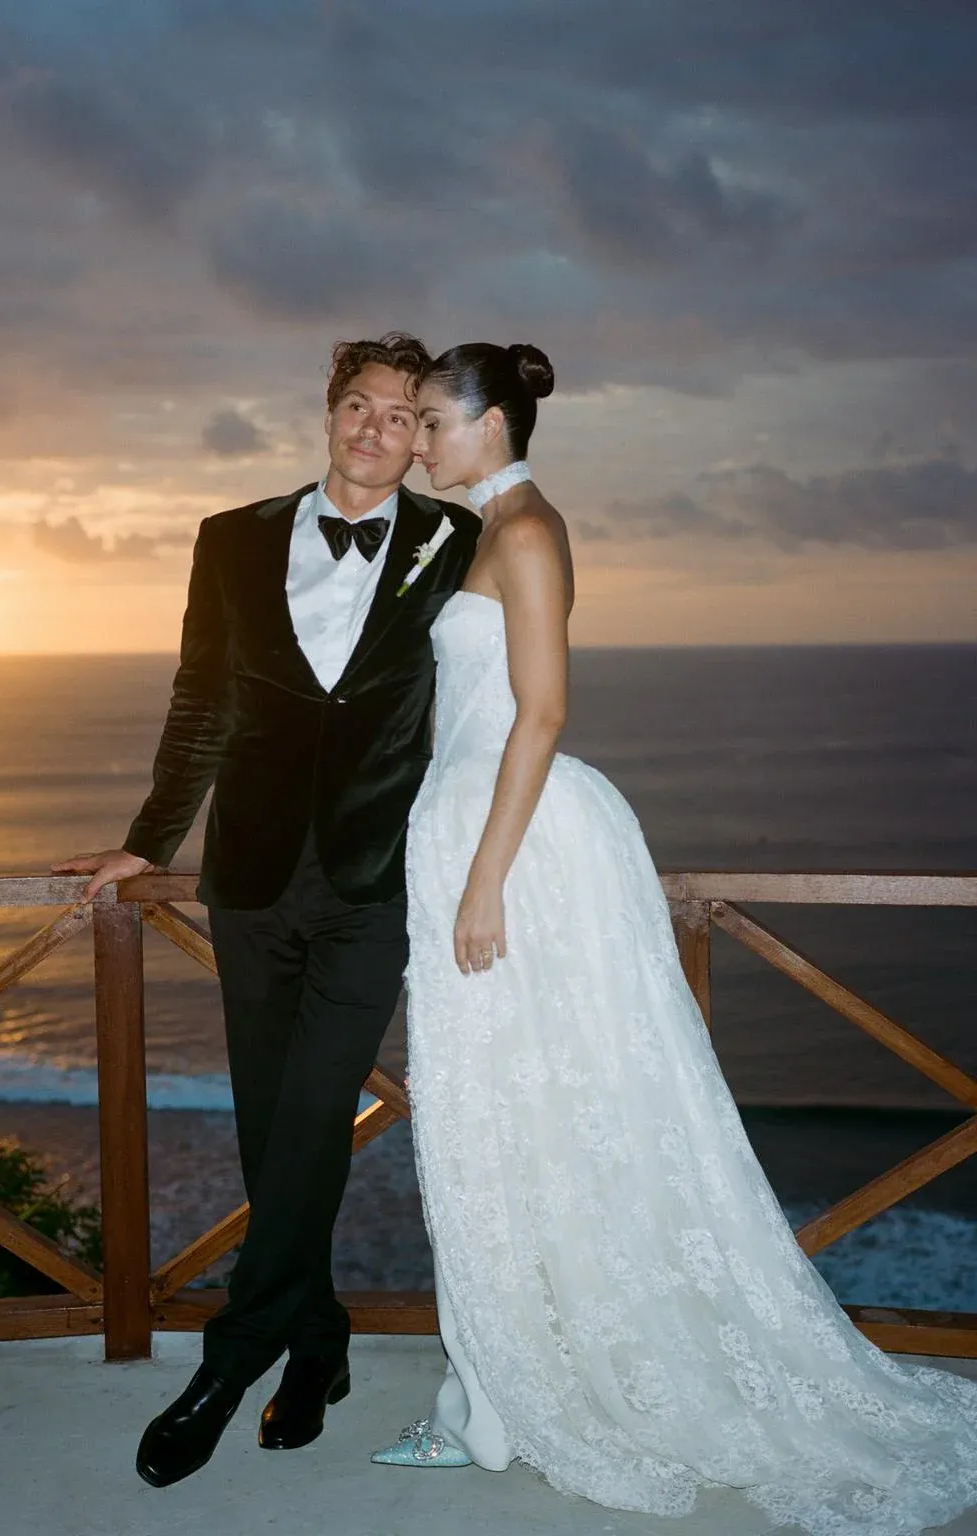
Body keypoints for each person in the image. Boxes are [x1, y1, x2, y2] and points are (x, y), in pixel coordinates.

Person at [370, 341, 977, 1535]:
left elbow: (541, 710)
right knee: (499, 1114)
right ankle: (493, 1384)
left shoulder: (528, 531)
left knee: (517, 1107)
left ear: (492, 425)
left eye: (434, 422)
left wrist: (484, 880)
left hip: (516, 851)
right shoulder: (487, 530)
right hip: (477, 835)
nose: (418, 443)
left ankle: (500, 1391)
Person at [53, 332, 481, 1488]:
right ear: (327, 412)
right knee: (268, 1124)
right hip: (245, 879)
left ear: (424, 435)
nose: (375, 429)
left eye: (402, 415)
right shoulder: (229, 539)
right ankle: (319, 1340)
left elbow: (502, 696)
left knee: (308, 1120)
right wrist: (147, 844)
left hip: (369, 887)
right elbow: (201, 699)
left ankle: (232, 1358)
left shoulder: (460, 542)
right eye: (359, 406)